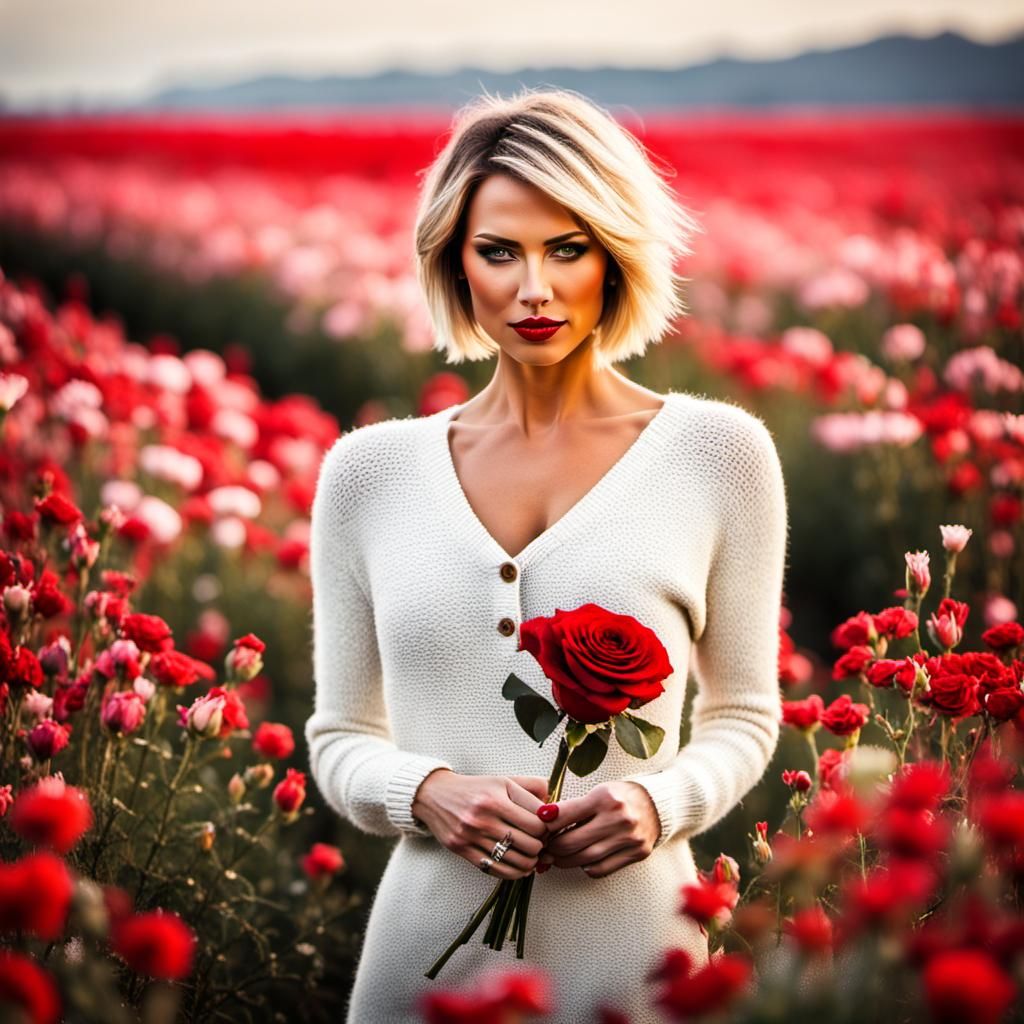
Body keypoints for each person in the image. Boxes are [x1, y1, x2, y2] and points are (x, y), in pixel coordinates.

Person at [304, 87, 788, 1024]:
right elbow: (337, 740)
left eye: (568, 249)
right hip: (422, 965)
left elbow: (743, 715)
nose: (535, 288)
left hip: (637, 965)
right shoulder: (366, 474)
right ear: (454, 266)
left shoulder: (719, 455)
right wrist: (428, 792)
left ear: (614, 258)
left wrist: (661, 800)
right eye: (499, 252)